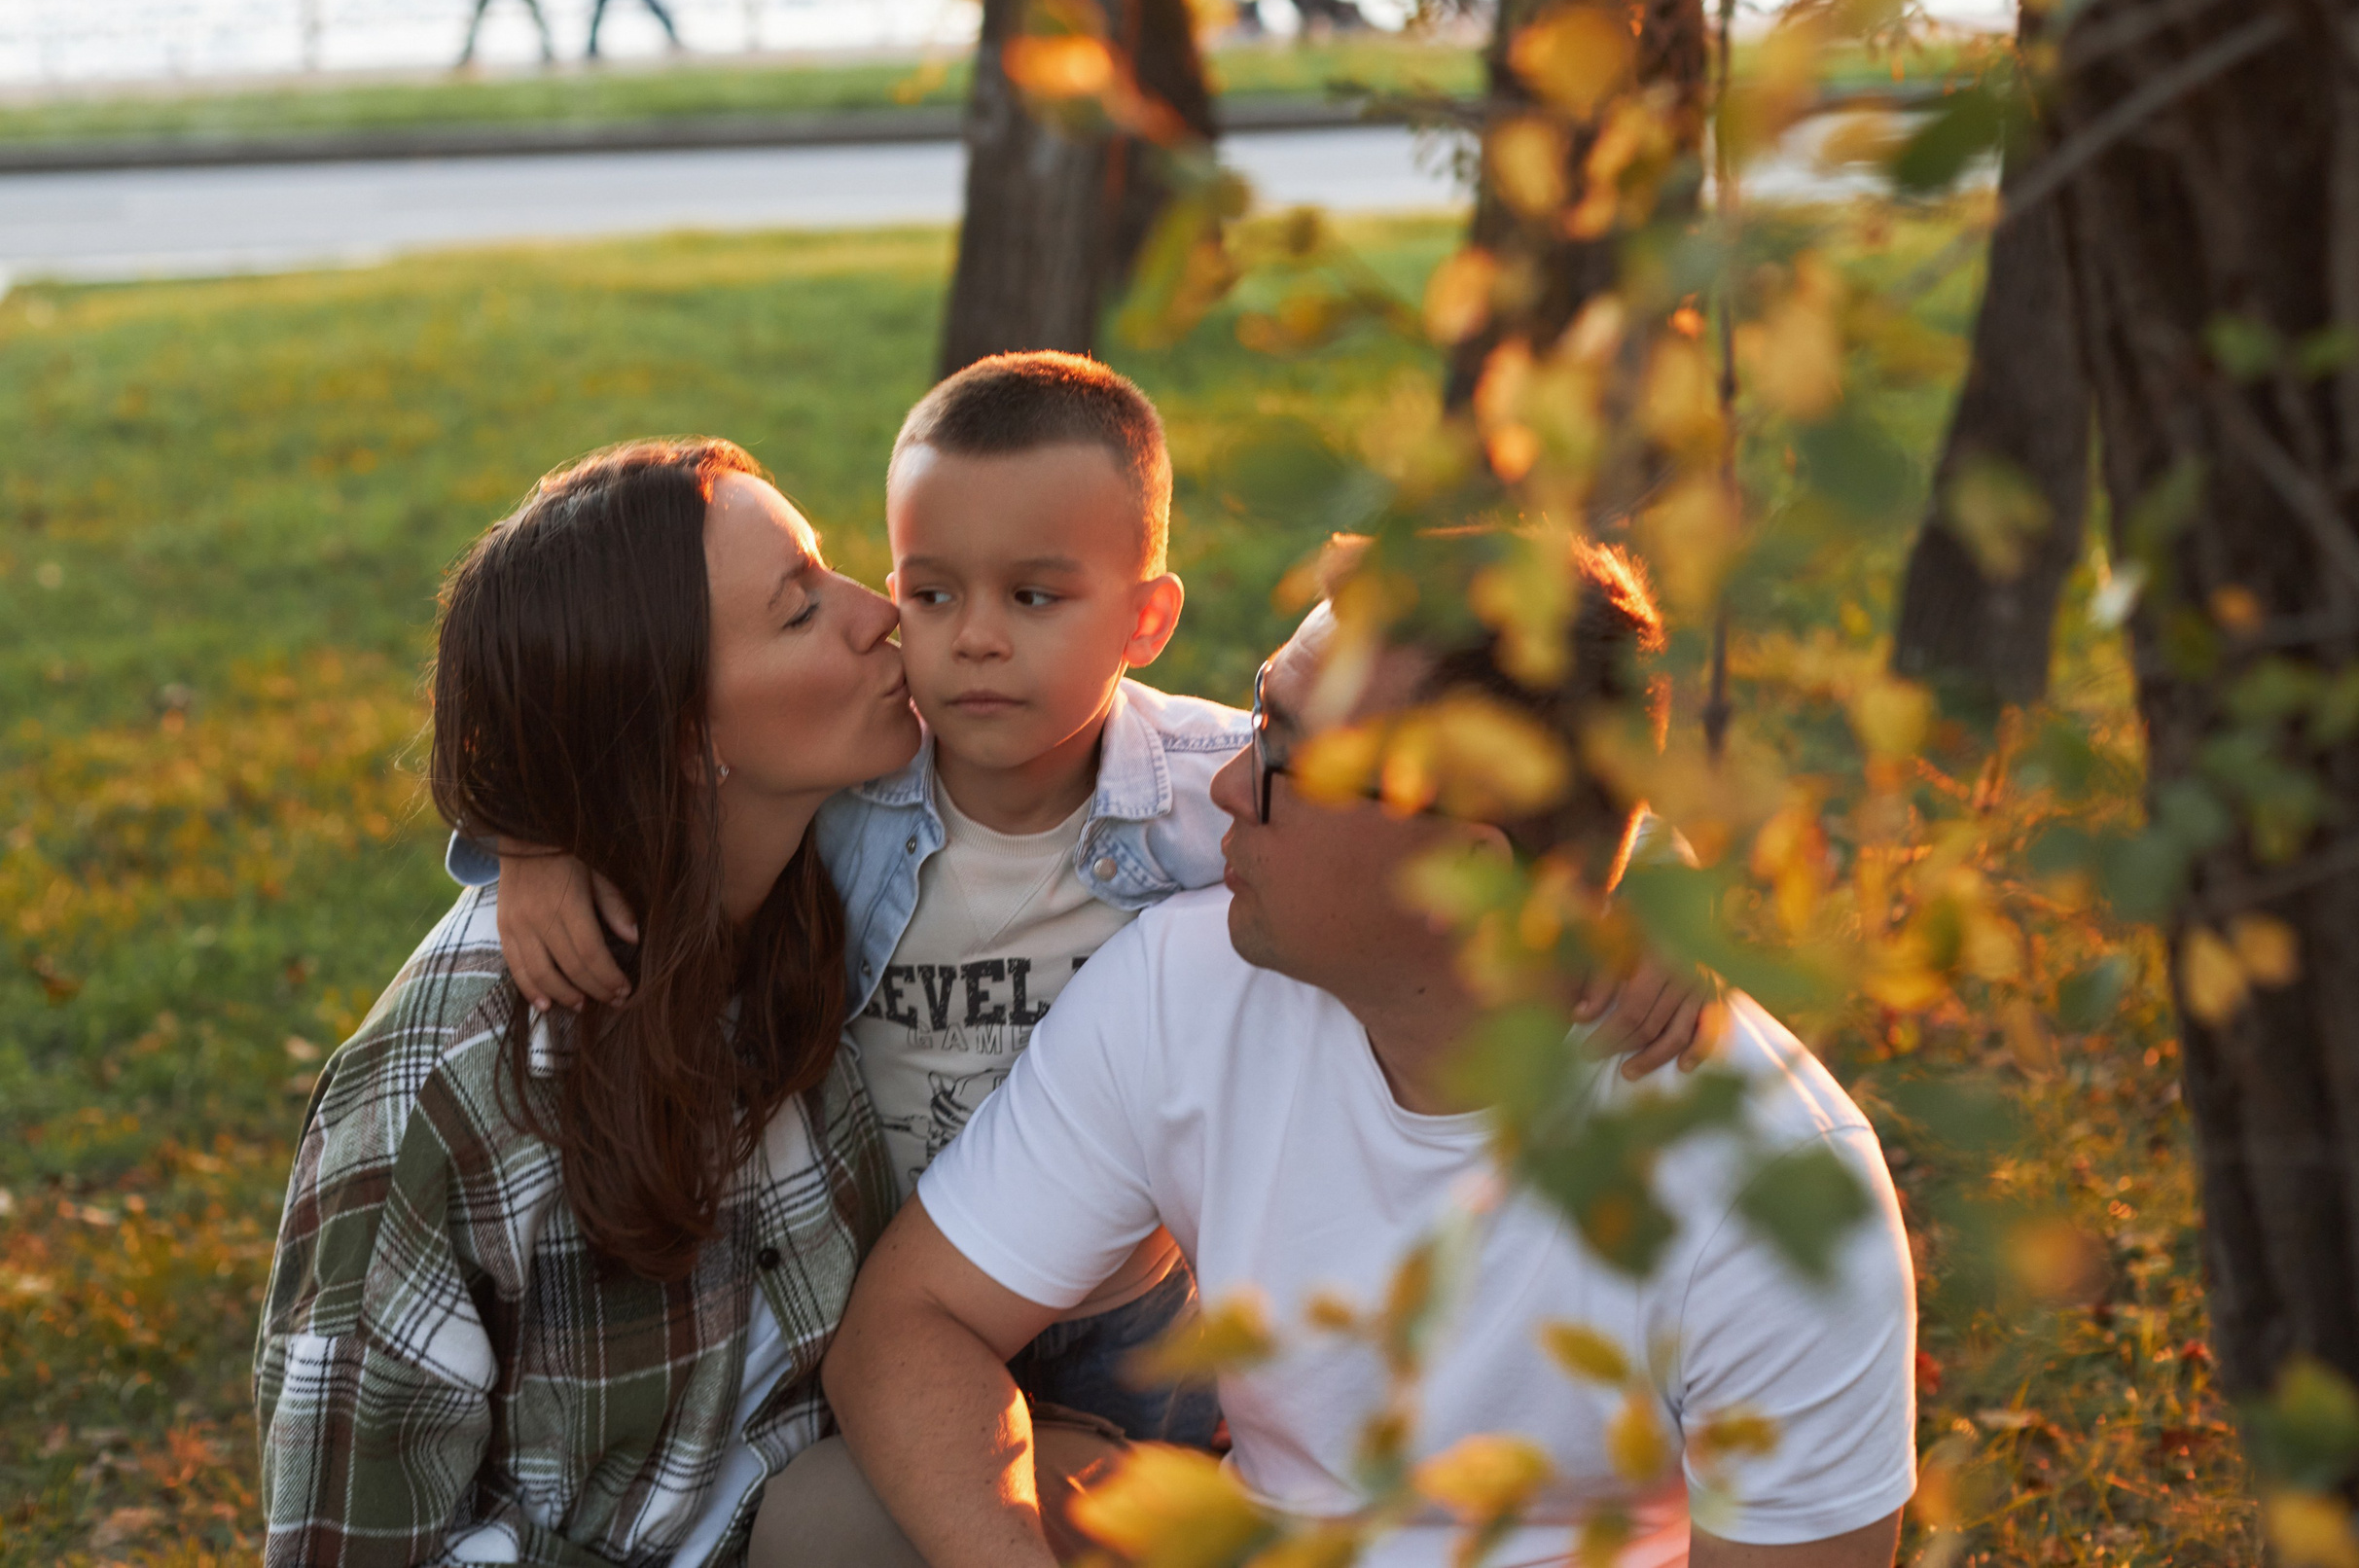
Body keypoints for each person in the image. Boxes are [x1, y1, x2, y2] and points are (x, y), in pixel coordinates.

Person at [467, 355, 1712, 1471]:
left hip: (1129, 1314)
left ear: (1145, 620)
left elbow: (1540, 813)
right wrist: (535, 841)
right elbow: (656, 785)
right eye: (933, 595)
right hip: (900, 1277)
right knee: (893, 1489)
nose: (975, 642)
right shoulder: (850, 794)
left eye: (1034, 598)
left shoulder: (1206, 790)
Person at [816, 542, 1921, 1568]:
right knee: (835, 1516)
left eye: (1286, 756)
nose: (1227, 786)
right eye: (1260, 713)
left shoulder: (1774, 1193)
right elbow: (908, 1326)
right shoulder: (1189, 981)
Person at [254, 439, 917, 1565]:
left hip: (807, 1501)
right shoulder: (457, 1085)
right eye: (800, 611)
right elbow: (349, 1539)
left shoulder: (846, 866)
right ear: (685, 738)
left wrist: (524, 827)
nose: (882, 613)